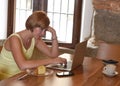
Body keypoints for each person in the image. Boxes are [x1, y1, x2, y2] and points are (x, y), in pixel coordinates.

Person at [0, 11, 66, 80]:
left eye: (45, 30)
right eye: (41, 29)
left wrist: (53, 33)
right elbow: (22, 65)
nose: (43, 34)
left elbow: (53, 55)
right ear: (33, 25)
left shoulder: (35, 38)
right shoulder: (14, 39)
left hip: (21, 77)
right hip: (6, 79)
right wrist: (51, 61)